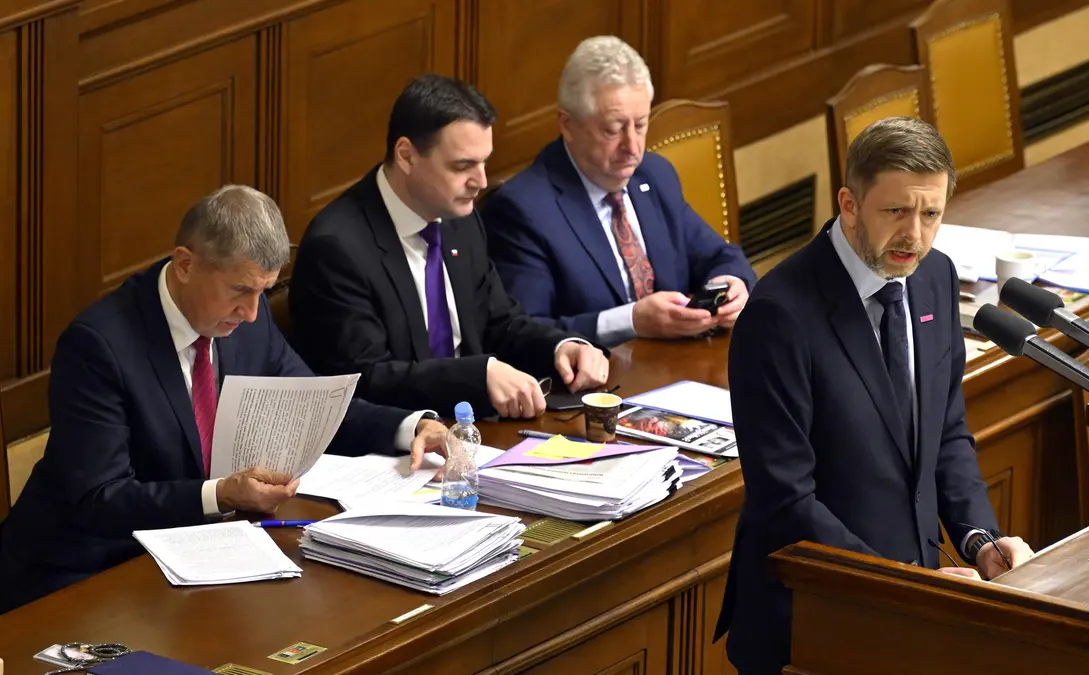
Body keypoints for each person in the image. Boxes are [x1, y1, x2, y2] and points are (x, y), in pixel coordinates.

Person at [0, 186, 447, 614]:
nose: (252, 313)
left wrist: (411, 427)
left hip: (198, 555)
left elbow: (313, 404)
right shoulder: (99, 345)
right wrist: (221, 494)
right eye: (240, 291)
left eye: (263, 292)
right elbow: (102, 499)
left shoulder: (245, 320)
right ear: (185, 264)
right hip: (83, 572)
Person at [714, 118, 1036, 674]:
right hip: (812, 619)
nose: (915, 235)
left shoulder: (934, 278)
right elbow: (785, 500)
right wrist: (903, 584)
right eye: (896, 211)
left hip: (912, 610)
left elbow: (945, 432)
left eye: (931, 214)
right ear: (849, 204)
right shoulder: (779, 315)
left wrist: (981, 539)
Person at [289, 75, 609, 419]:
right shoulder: (337, 249)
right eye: (463, 166)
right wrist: (477, 376)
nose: (481, 181)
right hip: (400, 438)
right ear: (407, 156)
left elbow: (499, 321)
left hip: (478, 428)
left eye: (484, 162)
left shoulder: (458, 219)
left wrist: (561, 347)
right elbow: (366, 380)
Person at [480, 36, 756, 347]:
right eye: (613, 129)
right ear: (567, 125)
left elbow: (720, 255)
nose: (633, 147)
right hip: (601, 374)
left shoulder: (655, 174)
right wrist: (631, 321)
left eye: (640, 125)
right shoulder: (523, 211)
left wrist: (731, 285)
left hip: (682, 364)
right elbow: (522, 333)